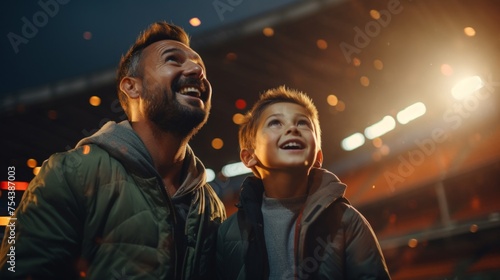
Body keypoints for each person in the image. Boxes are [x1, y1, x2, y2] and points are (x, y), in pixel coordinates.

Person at [0, 21, 226, 279]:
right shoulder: (70, 173)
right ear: (132, 87)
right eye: (173, 60)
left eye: (200, 65)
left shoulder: (211, 205)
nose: (197, 69)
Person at [216, 86, 391, 280]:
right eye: (275, 123)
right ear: (249, 157)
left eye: (303, 123)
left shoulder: (347, 221)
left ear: (317, 156)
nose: (292, 128)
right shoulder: (228, 233)